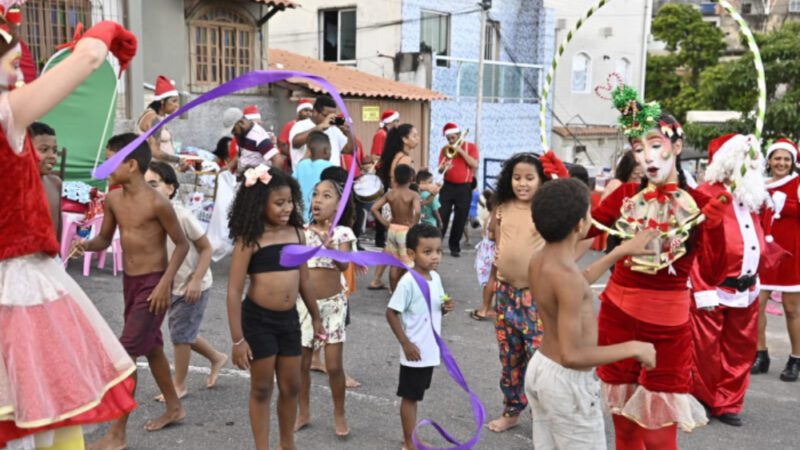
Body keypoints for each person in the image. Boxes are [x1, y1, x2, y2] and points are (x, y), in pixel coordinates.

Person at [0, 18, 138, 450]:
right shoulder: (6, 114)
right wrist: (107, 31)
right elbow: (90, 57)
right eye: (10, 65)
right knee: (40, 412)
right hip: (17, 288)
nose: (19, 76)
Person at [589, 86, 730, 449]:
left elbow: (714, 273)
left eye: (657, 145)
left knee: (659, 433)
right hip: (617, 316)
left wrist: (713, 227)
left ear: (677, 147)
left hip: (667, 328)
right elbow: (585, 230)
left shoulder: (700, 204)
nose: (648, 155)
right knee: (625, 429)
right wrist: (564, 196)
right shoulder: (623, 197)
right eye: (640, 147)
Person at [73, 133, 190, 449]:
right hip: (131, 282)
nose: (105, 166)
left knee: (124, 356)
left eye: (111, 160)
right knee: (151, 348)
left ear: (132, 164)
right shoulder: (113, 198)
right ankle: (174, 406)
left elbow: (182, 244)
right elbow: (104, 239)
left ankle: (117, 433)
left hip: (154, 286)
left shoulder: (157, 202)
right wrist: (85, 245)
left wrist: (166, 283)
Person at [526, 178, 657, 449]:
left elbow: (577, 281)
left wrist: (618, 252)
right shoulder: (567, 278)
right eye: (589, 213)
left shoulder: (542, 259)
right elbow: (571, 355)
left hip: (542, 369)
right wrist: (634, 347)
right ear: (580, 225)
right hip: (567, 383)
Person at [226, 165, 324, 450]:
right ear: (260, 204)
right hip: (258, 321)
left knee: (291, 385)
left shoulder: (297, 233)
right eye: (278, 203)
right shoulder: (249, 239)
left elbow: (304, 278)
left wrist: (316, 317)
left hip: (289, 320)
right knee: (261, 387)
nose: (286, 208)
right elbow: (233, 291)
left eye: (289, 201)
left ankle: (287, 443)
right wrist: (237, 340)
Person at [688, 134, 771, 427]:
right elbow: (695, 248)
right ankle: (704, 398)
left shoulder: (751, 197)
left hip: (747, 287)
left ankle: (728, 402)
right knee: (706, 349)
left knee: (741, 348)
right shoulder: (706, 194)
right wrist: (702, 288)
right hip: (714, 287)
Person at [145, 161, 229, 402]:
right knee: (182, 329)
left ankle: (179, 385)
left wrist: (196, 280)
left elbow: (205, 248)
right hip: (172, 284)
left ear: (170, 188)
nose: (148, 189)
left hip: (194, 285)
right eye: (145, 185)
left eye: (154, 184)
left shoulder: (181, 215)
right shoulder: (149, 216)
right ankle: (215, 357)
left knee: (180, 333)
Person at [486, 153, 556, 433]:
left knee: (540, 361)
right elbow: (499, 248)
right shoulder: (502, 207)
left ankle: (545, 417)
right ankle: (511, 410)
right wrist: (491, 288)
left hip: (535, 297)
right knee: (510, 357)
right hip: (505, 294)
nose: (522, 184)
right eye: (517, 178)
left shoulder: (546, 209)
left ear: (542, 181)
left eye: (529, 178)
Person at [295, 178, 357, 437]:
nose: (318, 200)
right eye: (315, 194)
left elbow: (344, 266)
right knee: (302, 364)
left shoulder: (343, 233)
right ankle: (304, 411)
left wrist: (331, 249)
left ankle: (339, 413)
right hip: (306, 307)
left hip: (333, 306)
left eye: (327, 196)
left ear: (338, 205)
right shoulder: (302, 232)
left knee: (333, 366)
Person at [386, 224, 454, 450]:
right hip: (415, 351)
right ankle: (409, 442)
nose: (435, 257)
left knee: (416, 395)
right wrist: (405, 343)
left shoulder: (435, 277)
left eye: (438, 251)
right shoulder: (408, 281)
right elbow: (391, 312)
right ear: (412, 254)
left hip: (429, 350)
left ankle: (410, 437)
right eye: (428, 252)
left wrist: (445, 307)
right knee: (410, 397)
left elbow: (434, 306)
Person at [755, 138, 800, 381]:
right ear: (769, 160)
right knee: (756, 306)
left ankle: (795, 358)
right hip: (763, 254)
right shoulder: (759, 186)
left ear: (792, 162)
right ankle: (761, 354)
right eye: (777, 158)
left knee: (792, 309)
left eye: (786, 159)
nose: (781, 163)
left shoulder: (798, 184)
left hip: (792, 255)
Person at [371, 164, 421, 291]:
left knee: (393, 260)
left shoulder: (390, 194)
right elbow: (418, 211)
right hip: (405, 230)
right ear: (411, 178)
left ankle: (393, 289)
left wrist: (385, 223)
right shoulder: (413, 194)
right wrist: (414, 224)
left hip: (393, 229)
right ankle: (402, 288)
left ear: (395, 178)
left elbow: (374, 208)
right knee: (407, 261)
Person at [437, 123, 479, 257]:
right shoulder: (445, 149)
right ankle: (437, 245)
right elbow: (439, 169)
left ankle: (454, 247)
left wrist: (460, 151)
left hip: (464, 187)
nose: (450, 141)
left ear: (459, 136)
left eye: (453, 138)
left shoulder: (470, 147)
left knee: (460, 218)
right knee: (442, 215)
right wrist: (445, 167)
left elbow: (474, 164)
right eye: (448, 138)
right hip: (448, 186)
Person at [289, 95, 353, 169]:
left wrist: (348, 131)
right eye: (326, 115)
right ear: (315, 112)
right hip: (307, 177)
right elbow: (295, 143)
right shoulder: (300, 125)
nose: (329, 119)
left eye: (332, 116)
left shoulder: (333, 128)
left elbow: (349, 150)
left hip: (331, 177)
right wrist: (321, 127)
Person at [138, 75, 186, 168]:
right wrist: (178, 160)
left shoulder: (158, 117)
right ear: (162, 101)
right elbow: (155, 152)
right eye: (174, 101)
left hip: (163, 169)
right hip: (155, 171)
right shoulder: (153, 119)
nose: (177, 105)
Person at [370, 110, 400, 254]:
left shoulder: (387, 134)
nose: (397, 124)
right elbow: (376, 155)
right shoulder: (381, 135)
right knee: (382, 205)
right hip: (383, 173)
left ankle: (385, 235)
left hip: (387, 172)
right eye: (395, 121)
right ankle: (379, 236)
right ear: (389, 122)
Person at [222, 107, 283, 174]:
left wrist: (271, 180)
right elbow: (241, 153)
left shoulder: (258, 137)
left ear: (241, 123)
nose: (233, 133)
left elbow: (278, 161)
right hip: (244, 177)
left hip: (258, 180)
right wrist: (229, 166)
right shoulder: (240, 134)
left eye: (234, 130)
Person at [29, 121, 61, 242]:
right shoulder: (13, 187)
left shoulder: (55, 183)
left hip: (49, 258)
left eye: (54, 150)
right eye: (44, 150)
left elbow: (58, 228)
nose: (52, 155)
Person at [470, 189, 497, 321]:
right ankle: (486, 308)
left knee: (488, 281)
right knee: (492, 280)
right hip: (492, 253)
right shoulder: (496, 218)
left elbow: (484, 235)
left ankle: (488, 307)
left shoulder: (488, 217)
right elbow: (492, 236)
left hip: (484, 253)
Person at [295, 131, 333, 221]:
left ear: (308, 151)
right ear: (326, 151)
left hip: (301, 216)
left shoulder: (302, 165)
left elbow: (292, 181)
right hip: (321, 217)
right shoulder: (330, 166)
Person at [277, 99, 313, 172]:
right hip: (290, 163)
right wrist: (293, 155)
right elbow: (280, 144)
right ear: (299, 112)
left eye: (310, 111)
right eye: (305, 110)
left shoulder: (312, 126)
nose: (308, 113)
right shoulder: (291, 125)